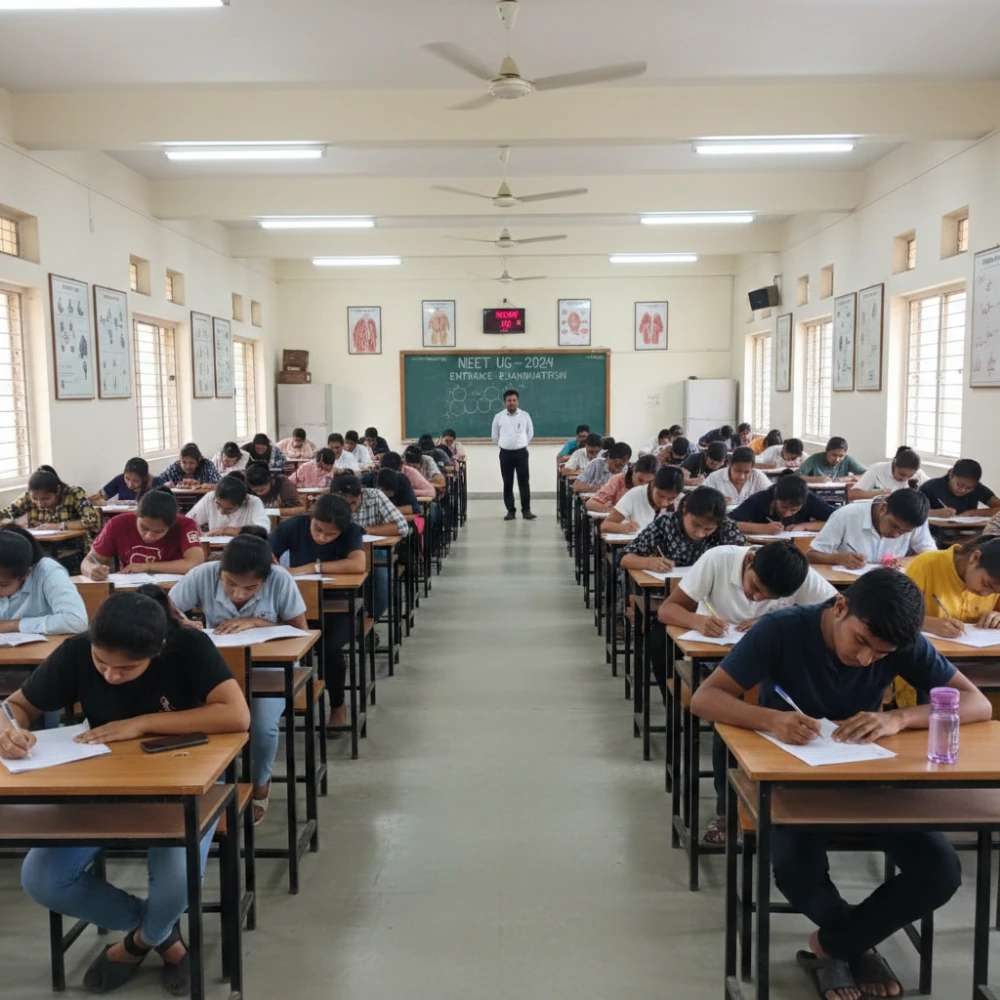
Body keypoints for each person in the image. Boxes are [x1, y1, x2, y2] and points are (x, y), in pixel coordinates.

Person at [689, 570, 988, 1000]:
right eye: (862, 643)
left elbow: (974, 701)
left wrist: (897, 717)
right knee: (798, 873)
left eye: (881, 654)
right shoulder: (782, 629)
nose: (866, 659)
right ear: (840, 607)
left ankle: (834, 946)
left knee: (940, 871)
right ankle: (858, 944)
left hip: (869, 777)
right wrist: (773, 720)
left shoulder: (897, 641)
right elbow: (706, 698)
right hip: (790, 783)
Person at [1, 587, 249, 994]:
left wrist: (142, 723)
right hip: (102, 784)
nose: (111, 675)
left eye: (127, 668)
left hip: (183, 785)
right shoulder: (78, 651)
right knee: (42, 879)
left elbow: (236, 715)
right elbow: (16, 706)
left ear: (158, 650)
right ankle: (161, 935)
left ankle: (136, 945)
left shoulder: (187, 646)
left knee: (176, 883)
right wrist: (8, 730)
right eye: (102, 663)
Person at [657, 541, 837, 845]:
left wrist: (775, 623)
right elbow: (667, 609)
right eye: (755, 588)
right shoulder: (718, 560)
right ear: (750, 560)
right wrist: (698, 620)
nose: (756, 598)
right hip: (719, 664)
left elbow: (837, 609)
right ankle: (727, 811)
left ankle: (794, 807)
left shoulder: (799, 574)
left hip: (775, 671)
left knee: (806, 714)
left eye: (769, 598)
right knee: (729, 720)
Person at [169, 534, 307, 825]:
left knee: (261, 725)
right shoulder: (204, 574)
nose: (239, 594)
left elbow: (300, 632)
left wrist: (258, 621)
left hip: (269, 668)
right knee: (186, 716)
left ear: (265, 580)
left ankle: (260, 784)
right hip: (218, 668)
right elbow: (166, 610)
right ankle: (207, 784)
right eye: (231, 584)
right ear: (221, 570)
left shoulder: (281, 580)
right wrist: (183, 624)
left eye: (251, 588)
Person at [269, 495, 366, 729]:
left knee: (329, 647)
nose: (322, 537)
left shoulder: (351, 531)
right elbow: (265, 555)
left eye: (331, 535)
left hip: (338, 605)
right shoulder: (293, 526)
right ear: (311, 515)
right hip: (295, 604)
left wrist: (310, 568)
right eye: (318, 529)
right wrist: (278, 569)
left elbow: (358, 564)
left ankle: (337, 705)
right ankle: (277, 704)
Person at [332, 475, 409, 621]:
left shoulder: (375, 496)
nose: (350, 508)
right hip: (342, 554)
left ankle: (370, 620)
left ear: (361, 492)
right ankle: (351, 624)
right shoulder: (331, 502)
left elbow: (402, 527)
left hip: (374, 550)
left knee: (381, 582)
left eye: (353, 503)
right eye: (345, 504)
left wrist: (364, 530)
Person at [82, 488, 204, 579]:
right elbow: (87, 562)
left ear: (171, 525)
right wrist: (92, 570)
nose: (149, 536)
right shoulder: (118, 524)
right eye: (144, 528)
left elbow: (195, 563)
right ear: (136, 515)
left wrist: (147, 566)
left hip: (171, 593)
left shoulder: (185, 524)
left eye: (159, 531)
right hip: (130, 591)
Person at [619, 487, 744, 573]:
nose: (700, 534)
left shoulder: (727, 528)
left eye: (708, 529)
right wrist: (648, 563)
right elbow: (623, 558)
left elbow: (741, 563)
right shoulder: (665, 524)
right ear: (685, 508)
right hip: (668, 592)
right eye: (695, 524)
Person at [807, 489, 936, 568]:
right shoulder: (846, 515)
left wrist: (904, 560)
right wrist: (839, 558)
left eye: (905, 532)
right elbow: (811, 555)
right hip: (848, 587)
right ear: (883, 508)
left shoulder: (917, 521)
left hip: (891, 585)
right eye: (894, 526)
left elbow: (931, 555)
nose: (896, 535)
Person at [905, 536, 1000, 639]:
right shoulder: (927, 564)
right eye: (986, 584)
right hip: (931, 649)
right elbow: (895, 615)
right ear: (975, 558)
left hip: (981, 651)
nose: (985, 594)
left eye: (995, 592)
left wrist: (997, 618)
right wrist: (926, 623)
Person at [0, 524, 87, 635]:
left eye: (2, 584)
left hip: (42, 649)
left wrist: (12, 625)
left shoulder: (47, 571)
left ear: (26, 574)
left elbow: (76, 621)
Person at [0, 465, 99, 543]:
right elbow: (6, 512)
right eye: (34, 499)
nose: (40, 503)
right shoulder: (27, 497)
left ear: (58, 491)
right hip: (40, 546)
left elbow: (92, 521)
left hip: (74, 547)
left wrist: (58, 526)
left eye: (46, 499)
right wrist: (7, 522)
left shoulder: (74, 493)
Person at [730, 474, 835, 536]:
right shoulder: (760, 499)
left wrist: (805, 526)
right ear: (775, 495)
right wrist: (763, 528)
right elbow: (729, 523)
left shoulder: (808, 498)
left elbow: (838, 519)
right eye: (783, 507)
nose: (787, 513)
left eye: (794, 510)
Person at [492, 388, 535, 521]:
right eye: (509, 401)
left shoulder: (525, 415)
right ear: (505, 402)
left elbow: (529, 433)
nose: (512, 403)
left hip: (521, 453)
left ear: (518, 401)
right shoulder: (498, 417)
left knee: (524, 482)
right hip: (505, 454)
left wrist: (520, 444)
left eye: (514, 400)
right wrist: (506, 444)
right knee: (507, 482)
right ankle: (511, 511)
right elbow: (495, 436)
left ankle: (526, 510)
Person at [602, 466, 683, 535]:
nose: (664, 503)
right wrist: (624, 527)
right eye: (660, 495)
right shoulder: (634, 494)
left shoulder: (683, 501)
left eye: (671, 499)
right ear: (652, 485)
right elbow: (605, 526)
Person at [187, 475, 271, 537]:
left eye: (229, 509)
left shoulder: (253, 502)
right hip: (213, 548)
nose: (222, 512)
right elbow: (187, 521)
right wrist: (196, 532)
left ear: (242, 503)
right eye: (218, 505)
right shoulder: (210, 498)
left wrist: (227, 530)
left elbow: (263, 530)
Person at [919, 459, 1000, 517]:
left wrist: (972, 513)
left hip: (968, 531)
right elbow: (911, 513)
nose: (963, 490)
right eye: (959, 485)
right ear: (951, 475)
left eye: (969, 488)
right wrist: (934, 513)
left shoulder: (978, 488)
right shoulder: (931, 487)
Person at [848, 446, 927, 501]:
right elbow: (852, 494)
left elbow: (931, 490)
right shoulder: (876, 471)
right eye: (902, 474)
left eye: (910, 476)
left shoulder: (918, 474)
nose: (904, 479)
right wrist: (877, 494)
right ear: (894, 463)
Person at [587, 454, 658, 513]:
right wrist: (604, 508)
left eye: (649, 482)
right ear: (634, 469)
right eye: (640, 480)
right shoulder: (619, 480)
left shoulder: (659, 487)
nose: (643, 485)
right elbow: (590, 503)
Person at [703, 446, 771, 503]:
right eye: (737, 471)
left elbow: (772, 494)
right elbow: (700, 498)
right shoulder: (715, 477)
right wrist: (716, 501)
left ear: (752, 469)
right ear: (729, 465)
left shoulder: (757, 476)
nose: (742, 476)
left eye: (747, 472)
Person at [151, 443, 220, 489]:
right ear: (180, 460)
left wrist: (208, 486)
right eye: (184, 462)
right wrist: (166, 485)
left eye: (191, 463)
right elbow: (158, 481)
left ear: (198, 461)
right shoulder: (175, 467)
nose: (187, 466)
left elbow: (219, 484)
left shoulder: (207, 465)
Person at [798, 436, 866, 482]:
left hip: (840, 496)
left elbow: (868, 474)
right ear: (826, 451)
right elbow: (797, 477)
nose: (837, 459)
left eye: (841, 456)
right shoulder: (815, 459)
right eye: (834, 455)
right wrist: (817, 479)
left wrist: (850, 478)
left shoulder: (847, 460)